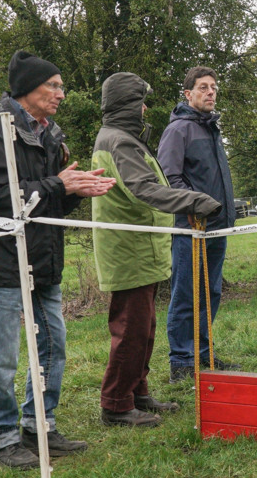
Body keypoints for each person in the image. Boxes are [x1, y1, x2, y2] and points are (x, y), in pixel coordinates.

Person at [0, 50, 116, 470]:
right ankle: (3, 439)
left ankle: (40, 426)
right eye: (53, 86)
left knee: (53, 346)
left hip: (43, 259)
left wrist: (72, 191)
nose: (61, 94)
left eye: (61, 86)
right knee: (3, 357)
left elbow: (42, 205)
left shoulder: (50, 134)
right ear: (26, 90)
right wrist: (57, 183)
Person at [91, 72, 221, 428]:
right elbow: (145, 189)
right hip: (127, 250)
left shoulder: (121, 138)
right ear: (128, 105)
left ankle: (137, 392)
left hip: (141, 249)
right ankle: (116, 404)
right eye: (141, 102)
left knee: (144, 327)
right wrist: (194, 200)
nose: (146, 108)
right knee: (131, 329)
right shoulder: (118, 141)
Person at [158, 66, 239, 380]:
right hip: (191, 229)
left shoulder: (212, 128)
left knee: (211, 293)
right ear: (188, 94)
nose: (210, 92)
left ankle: (204, 356)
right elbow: (170, 177)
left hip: (219, 228)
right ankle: (181, 362)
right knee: (186, 295)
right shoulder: (179, 129)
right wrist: (194, 205)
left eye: (214, 87)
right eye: (203, 87)